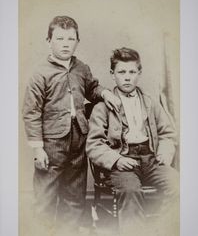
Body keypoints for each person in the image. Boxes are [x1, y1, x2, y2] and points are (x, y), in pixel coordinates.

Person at [22, 16, 120, 236]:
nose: (65, 43)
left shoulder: (81, 68)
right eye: (59, 38)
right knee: (45, 194)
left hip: (78, 137)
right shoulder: (40, 73)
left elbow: (92, 88)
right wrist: (38, 148)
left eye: (70, 38)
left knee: (75, 193)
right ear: (48, 40)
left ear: (77, 41)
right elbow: (31, 112)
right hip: (51, 143)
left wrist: (104, 93)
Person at [86, 47, 179, 236]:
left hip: (151, 159)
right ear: (112, 75)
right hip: (122, 163)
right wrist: (117, 160)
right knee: (130, 192)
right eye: (121, 72)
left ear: (139, 73)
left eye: (132, 72)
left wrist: (164, 151)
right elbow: (94, 144)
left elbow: (167, 133)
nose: (127, 77)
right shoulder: (102, 107)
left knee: (180, 186)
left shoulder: (150, 102)